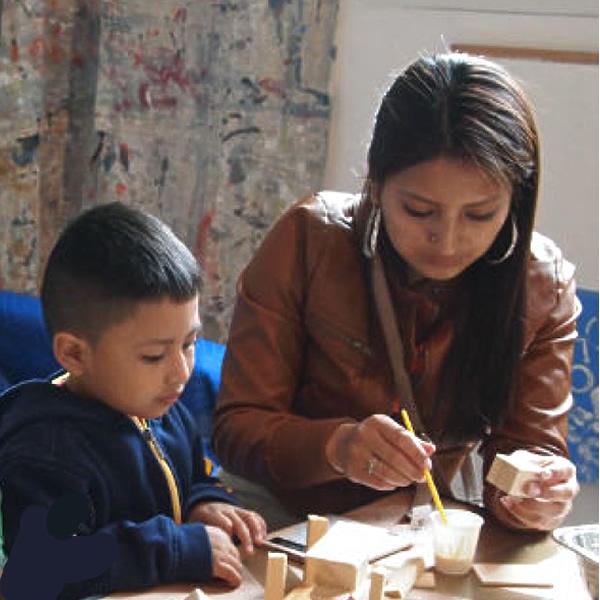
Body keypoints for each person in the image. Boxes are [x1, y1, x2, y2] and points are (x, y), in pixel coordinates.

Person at [213, 52, 581, 533]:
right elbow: (236, 428)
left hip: (423, 522)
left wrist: (536, 495)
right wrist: (337, 446)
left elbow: (530, 451)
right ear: (377, 182)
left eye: (479, 215)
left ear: (516, 199)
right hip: (286, 515)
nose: (447, 241)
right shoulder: (309, 240)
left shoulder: (541, 283)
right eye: (419, 210)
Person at [0, 202, 266, 598]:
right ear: (74, 354)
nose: (181, 371)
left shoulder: (158, 405)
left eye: (189, 343)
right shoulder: (50, 452)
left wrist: (202, 502)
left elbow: (192, 474)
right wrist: (177, 548)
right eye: (154, 356)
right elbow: (42, 567)